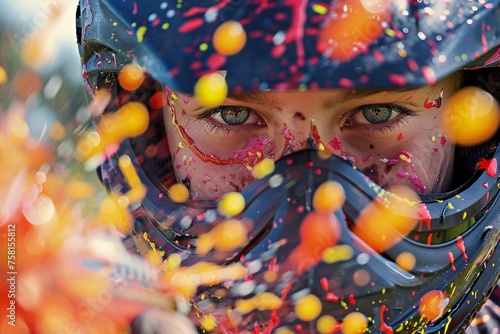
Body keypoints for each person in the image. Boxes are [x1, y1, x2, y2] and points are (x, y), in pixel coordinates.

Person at [77, 0, 500, 332]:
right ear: (150, 133)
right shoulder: (57, 306)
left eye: (379, 113)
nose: (313, 209)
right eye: (232, 116)